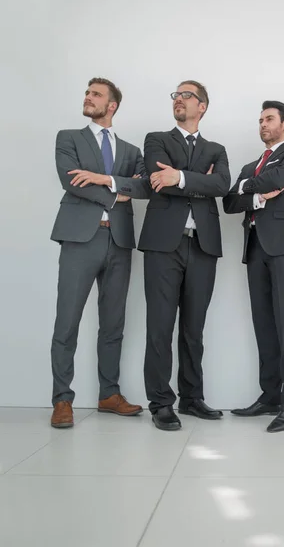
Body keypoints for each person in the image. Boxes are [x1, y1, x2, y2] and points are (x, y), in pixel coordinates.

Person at [50, 77, 151, 429]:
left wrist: (104, 179)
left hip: (119, 241)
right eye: (87, 93)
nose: (87, 97)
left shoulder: (130, 150)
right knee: (67, 321)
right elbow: (70, 180)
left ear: (112, 105)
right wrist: (116, 194)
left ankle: (109, 394)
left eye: (95, 94)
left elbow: (144, 186)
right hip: (80, 239)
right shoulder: (69, 138)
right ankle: (62, 400)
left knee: (113, 324)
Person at [138, 80, 230, 431]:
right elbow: (156, 177)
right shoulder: (156, 139)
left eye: (186, 95)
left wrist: (178, 175)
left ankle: (192, 398)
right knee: (159, 326)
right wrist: (193, 180)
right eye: (175, 95)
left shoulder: (216, 148)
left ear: (202, 106)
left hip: (203, 244)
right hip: (163, 244)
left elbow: (221, 185)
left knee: (194, 327)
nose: (178, 99)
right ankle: (161, 401)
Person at [223, 101, 284, 433]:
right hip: (255, 247)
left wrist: (246, 186)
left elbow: (282, 176)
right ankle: (270, 396)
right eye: (260, 120)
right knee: (264, 323)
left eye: (269, 119)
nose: (262, 124)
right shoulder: (250, 166)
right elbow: (230, 201)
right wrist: (254, 195)